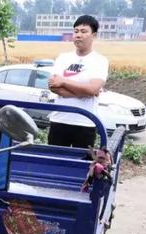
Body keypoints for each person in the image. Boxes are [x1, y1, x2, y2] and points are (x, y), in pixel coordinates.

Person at [47, 15, 109, 148]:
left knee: (81, 167)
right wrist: (85, 92)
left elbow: (93, 89)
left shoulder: (100, 61)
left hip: (85, 122)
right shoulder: (63, 58)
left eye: (84, 31)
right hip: (59, 120)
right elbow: (53, 86)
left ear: (94, 35)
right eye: (76, 31)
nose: (78, 35)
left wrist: (63, 81)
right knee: (54, 164)